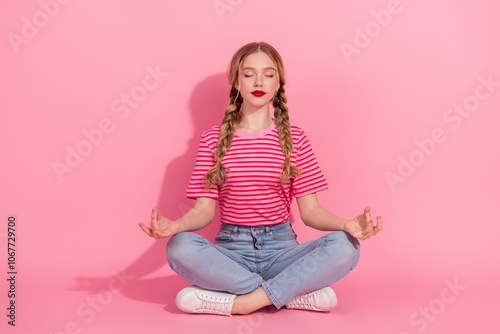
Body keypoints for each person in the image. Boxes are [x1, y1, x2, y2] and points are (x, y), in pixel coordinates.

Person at [138, 42, 383, 316]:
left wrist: (347, 224)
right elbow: (203, 211)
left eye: (268, 74)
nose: (258, 82)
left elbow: (311, 212)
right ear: (236, 82)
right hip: (232, 253)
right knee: (179, 246)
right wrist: (175, 226)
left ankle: (245, 302)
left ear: (278, 84)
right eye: (248, 74)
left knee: (344, 244)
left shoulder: (295, 138)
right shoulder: (212, 139)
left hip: (282, 251)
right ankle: (286, 294)